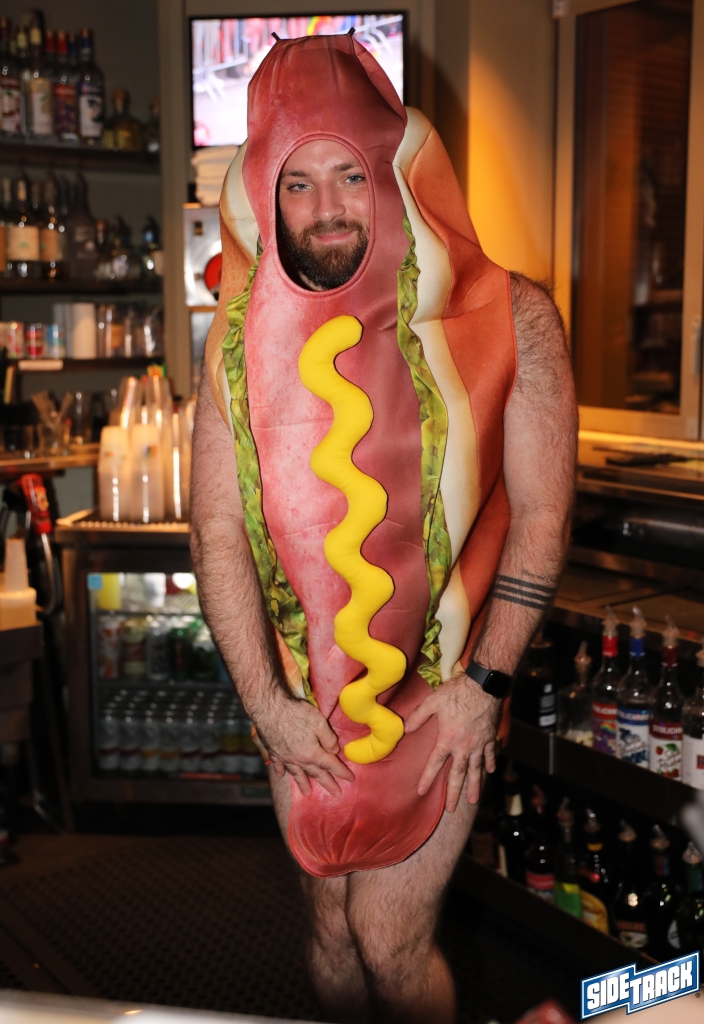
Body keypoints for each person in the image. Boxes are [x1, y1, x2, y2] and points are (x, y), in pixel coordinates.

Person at [191, 32, 577, 1024]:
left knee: (388, 939)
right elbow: (216, 531)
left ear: (393, 173)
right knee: (329, 930)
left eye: (348, 175)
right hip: (302, 703)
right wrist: (268, 706)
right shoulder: (232, 342)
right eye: (298, 182)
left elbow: (541, 519)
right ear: (264, 194)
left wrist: (484, 687)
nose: (325, 208)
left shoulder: (513, 315)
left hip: (446, 688)